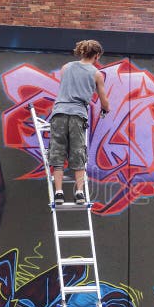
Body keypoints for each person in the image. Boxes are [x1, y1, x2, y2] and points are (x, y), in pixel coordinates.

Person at [48, 39, 110, 205]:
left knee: (57, 152)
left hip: (59, 113)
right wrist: (106, 109)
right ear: (96, 55)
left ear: (82, 51)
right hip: (77, 115)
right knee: (78, 152)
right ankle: (80, 193)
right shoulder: (96, 74)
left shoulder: (66, 67)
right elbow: (104, 101)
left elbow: (66, 86)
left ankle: (59, 193)